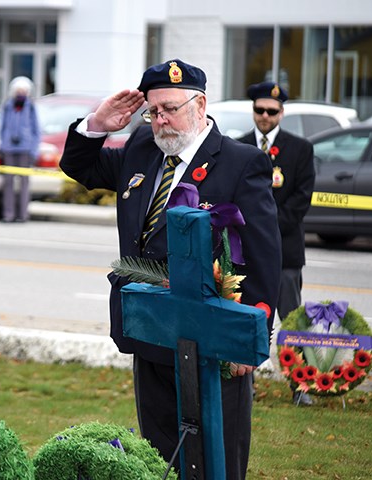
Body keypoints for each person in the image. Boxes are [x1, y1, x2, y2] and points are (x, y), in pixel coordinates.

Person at [59, 59, 282, 479]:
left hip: (213, 336)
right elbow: (80, 167)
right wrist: (97, 123)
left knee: (218, 454)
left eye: (171, 109)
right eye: (153, 110)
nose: (161, 120)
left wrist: (252, 333)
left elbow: (265, 253)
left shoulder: (239, 162)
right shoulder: (144, 147)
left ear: (200, 105)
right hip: (148, 329)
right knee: (159, 452)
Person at [238, 81, 315, 406]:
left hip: (285, 251)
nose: (265, 115)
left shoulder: (299, 149)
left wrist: (265, 228)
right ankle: (244, 385)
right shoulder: (237, 146)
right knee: (246, 317)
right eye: (259, 110)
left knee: (292, 319)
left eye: (271, 111)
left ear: (282, 113)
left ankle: (301, 386)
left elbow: (301, 200)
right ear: (253, 111)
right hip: (246, 253)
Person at [0, 76, 41, 223]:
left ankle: (23, 214)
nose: (21, 93)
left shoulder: (30, 107)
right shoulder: (8, 106)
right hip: (9, 148)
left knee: (24, 183)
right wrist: (3, 145)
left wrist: (34, 150)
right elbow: (2, 127)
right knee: (8, 183)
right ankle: (8, 214)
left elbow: (36, 130)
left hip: (25, 148)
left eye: (23, 90)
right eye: (18, 90)